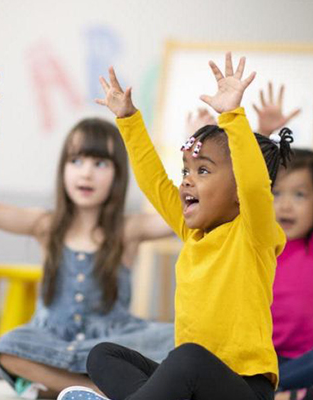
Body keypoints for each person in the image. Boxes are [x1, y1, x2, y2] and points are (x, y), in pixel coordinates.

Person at [59, 52, 292, 400]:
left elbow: (256, 186)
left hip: (245, 389)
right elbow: (154, 183)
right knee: (102, 356)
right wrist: (129, 119)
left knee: (188, 359)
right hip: (193, 384)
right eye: (186, 170)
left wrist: (231, 115)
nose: (186, 182)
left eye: (202, 171)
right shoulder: (191, 232)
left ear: (238, 191)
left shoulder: (254, 234)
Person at [0, 106, 175, 398]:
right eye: (76, 161)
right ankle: (94, 390)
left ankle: (55, 386)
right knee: (8, 347)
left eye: (100, 163)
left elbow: (181, 216)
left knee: (182, 340)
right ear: (63, 169)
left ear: (118, 174)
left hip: (112, 342)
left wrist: (194, 158)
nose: (86, 173)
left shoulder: (128, 229)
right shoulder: (47, 225)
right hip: (52, 339)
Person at [254, 84, 313, 400]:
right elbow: (247, 186)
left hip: (306, 364)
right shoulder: (260, 243)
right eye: (277, 193)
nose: (284, 205)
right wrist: (263, 135)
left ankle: (268, 394)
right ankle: (285, 395)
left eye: (299, 195)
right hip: (258, 361)